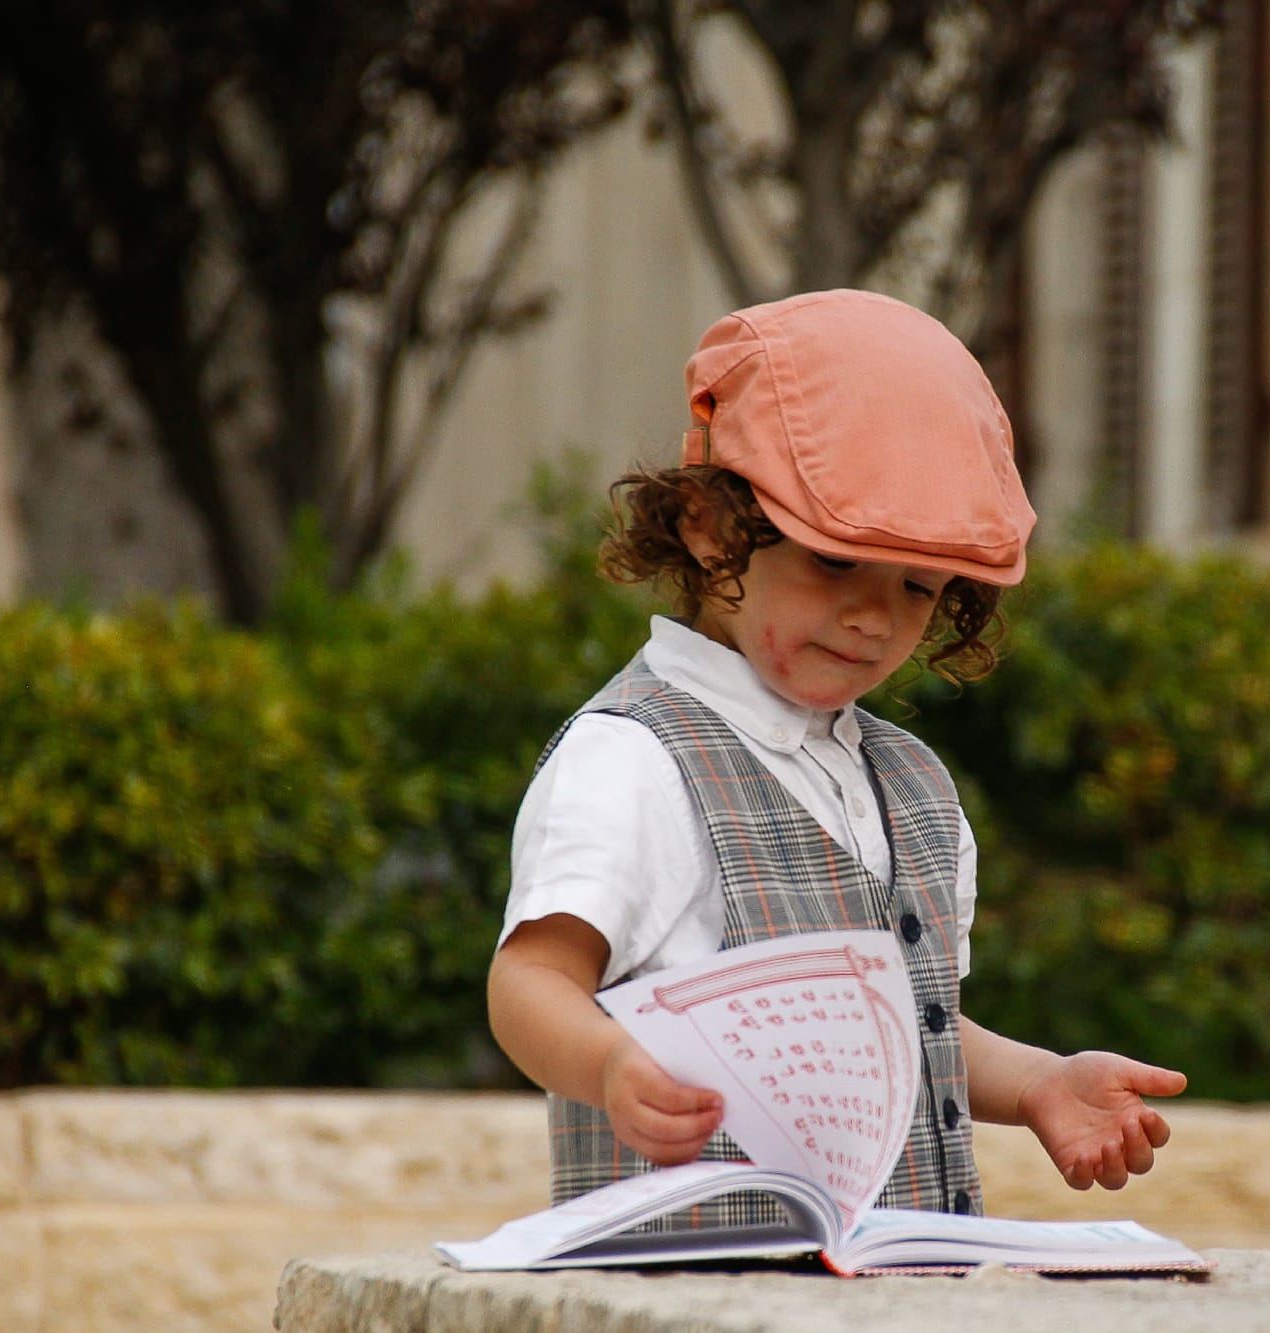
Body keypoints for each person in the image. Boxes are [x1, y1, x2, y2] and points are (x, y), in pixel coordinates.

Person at [487, 288, 1186, 1224]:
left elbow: (914, 1032)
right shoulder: (635, 760)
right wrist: (609, 1063)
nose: (874, 616)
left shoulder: (912, 784)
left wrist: (1038, 1084)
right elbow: (529, 981)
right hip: (697, 1300)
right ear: (708, 524)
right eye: (833, 563)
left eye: (915, 586)